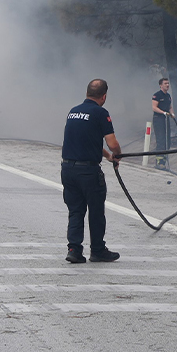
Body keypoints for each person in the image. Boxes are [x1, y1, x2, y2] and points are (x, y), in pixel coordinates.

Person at [60, 78, 122, 264]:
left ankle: (74, 250)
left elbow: (87, 141)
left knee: (76, 211)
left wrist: (107, 157)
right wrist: (117, 154)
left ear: (87, 93)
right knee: (96, 211)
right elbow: (112, 143)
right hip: (88, 172)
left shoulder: (73, 111)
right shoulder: (100, 113)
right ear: (104, 96)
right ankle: (97, 250)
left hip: (68, 169)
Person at [151, 77, 174, 169]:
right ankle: (159, 162)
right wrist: (163, 112)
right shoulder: (157, 95)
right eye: (165, 83)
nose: (167, 85)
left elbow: (170, 106)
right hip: (158, 119)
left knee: (167, 140)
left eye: (168, 83)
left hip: (166, 119)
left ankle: (164, 160)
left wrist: (172, 113)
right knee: (161, 140)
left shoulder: (168, 96)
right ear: (161, 85)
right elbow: (154, 107)